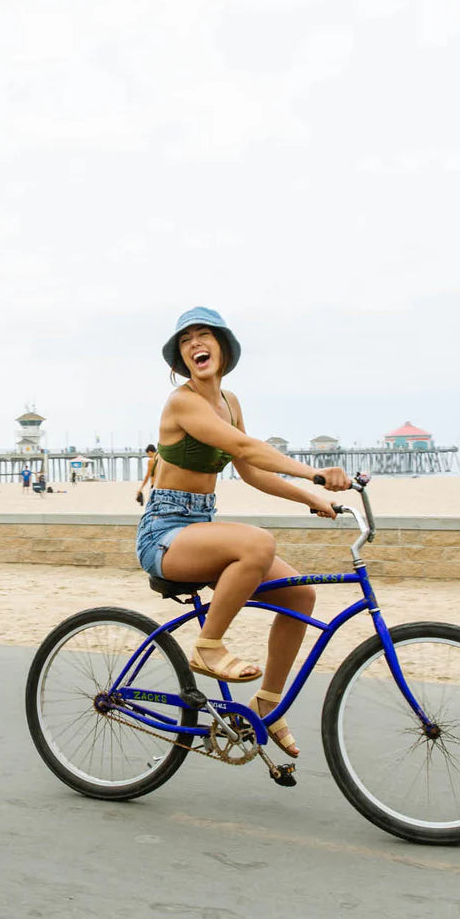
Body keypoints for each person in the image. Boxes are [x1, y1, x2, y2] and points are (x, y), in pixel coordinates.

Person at [135, 307, 351, 758]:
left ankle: (267, 706)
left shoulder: (230, 403)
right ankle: (208, 647)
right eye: (186, 340)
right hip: (164, 533)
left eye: (204, 336)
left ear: (222, 348)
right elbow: (243, 446)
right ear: (180, 357)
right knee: (257, 542)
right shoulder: (182, 402)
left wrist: (313, 499)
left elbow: (249, 470)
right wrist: (314, 476)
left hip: (199, 528)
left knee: (300, 596)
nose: (196, 344)